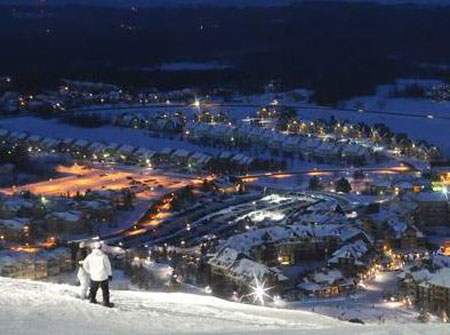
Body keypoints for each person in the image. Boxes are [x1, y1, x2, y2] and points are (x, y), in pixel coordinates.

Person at [83, 242, 114, 307]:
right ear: (100, 247)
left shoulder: (90, 256)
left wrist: (89, 271)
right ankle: (106, 302)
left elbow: (85, 265)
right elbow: (108, 267)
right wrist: (109, 275)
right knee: (105, 290)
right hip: (103, 276)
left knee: (93, 289)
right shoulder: (104, 256)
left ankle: (92, 299)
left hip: (94, 276)